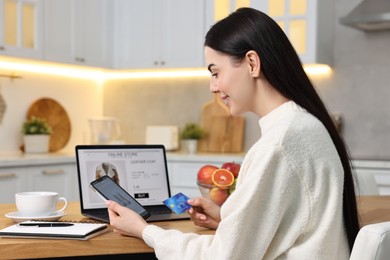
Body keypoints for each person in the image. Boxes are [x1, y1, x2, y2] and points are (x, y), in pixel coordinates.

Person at [105, 7, 360, 259]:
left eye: (216, 72)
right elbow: (297, 225)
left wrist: (145, 230)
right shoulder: (305, 126)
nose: (213, 87)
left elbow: (223, 257)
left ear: (251, 63)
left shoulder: (278, 145)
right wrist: (229, 220)